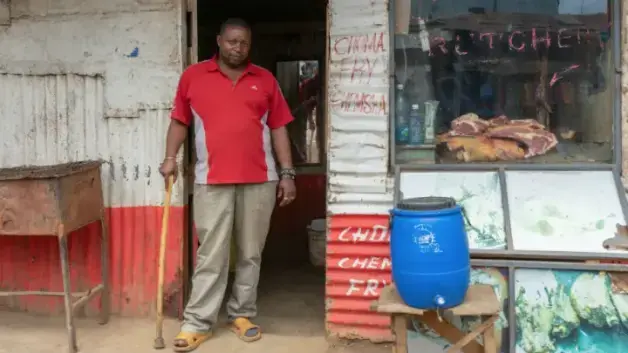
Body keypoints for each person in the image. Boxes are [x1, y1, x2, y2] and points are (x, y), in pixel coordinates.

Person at [159, 17, 297, 352]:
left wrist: (288, 173)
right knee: (211, 254)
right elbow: (180, 120)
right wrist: (169, 158)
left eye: (244, 43)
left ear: (250, 45)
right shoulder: (193, 77)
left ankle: (241, 314)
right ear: (219, 41)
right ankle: (198, 322)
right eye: (232, 41)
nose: (238, 48)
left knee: (251, 253)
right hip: (211, 179)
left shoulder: (265, 80)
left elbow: (279, 127)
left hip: (260, 179)